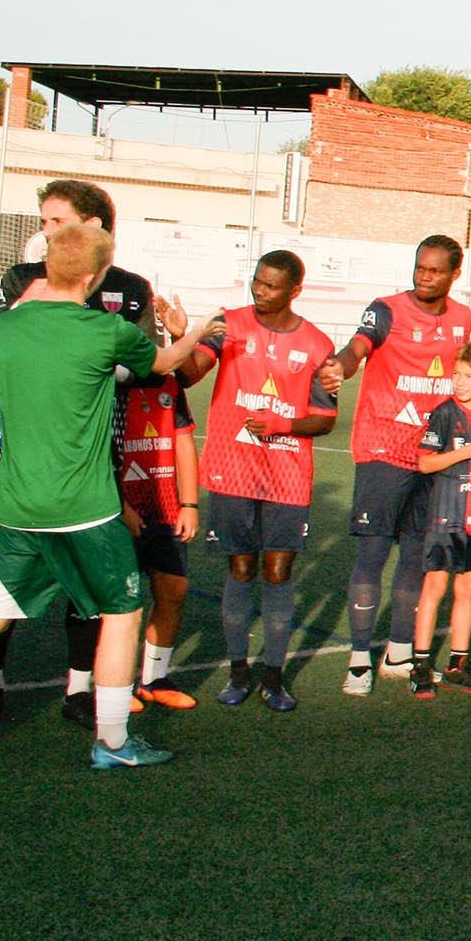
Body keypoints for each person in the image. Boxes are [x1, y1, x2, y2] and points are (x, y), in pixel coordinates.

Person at [0, 223, 209, 766]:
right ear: (95, 275)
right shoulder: (105, 330)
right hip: (87, 511)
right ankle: (112, 743)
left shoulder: (3, 328)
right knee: (123, 612)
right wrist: (198, 335)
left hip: (15, 508)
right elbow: (165, 365)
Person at [190, 252, 343, 711]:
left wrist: (282, 425)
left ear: (295, 290)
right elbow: (189, 372)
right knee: (240, 569)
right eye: (257, 281)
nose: (259, 290)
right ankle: (239, 672)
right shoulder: (229, 324)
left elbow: (325, 420)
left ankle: (273, 676)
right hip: (232, 469)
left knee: (278, 571)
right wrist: (184, 335)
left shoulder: (317, 344)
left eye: (271, 285)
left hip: (287, 476)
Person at [335, 235, 471, 686]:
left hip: (434, 455)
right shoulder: (386, 309)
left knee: (416, 554)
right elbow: (358, 345)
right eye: (420, 268)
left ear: (455, 274)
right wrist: (341, 366)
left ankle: (397, 652)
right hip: (383, 449)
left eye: (435, 271)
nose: (425, 277)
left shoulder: (463, 317)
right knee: (373, 553)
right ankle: (359, 659)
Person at [407, 342, 471, 698]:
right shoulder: (445, 413)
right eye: (457, 374)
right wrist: (464, 452)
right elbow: (425, 463)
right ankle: (421, 664)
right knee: (435, 585)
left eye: (469, 376)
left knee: (468, 588)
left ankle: (459, 664)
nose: (460, 381)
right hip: (446, 512)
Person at [118, 364, 201, 708]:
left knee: (173, 592)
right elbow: (96, 450)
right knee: (118, 604)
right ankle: (113, 685)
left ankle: (155, 679)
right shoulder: (109, 384)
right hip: (119, 512)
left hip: (166, 508)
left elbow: (183, 442)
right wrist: (122, 506)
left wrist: (190, 504)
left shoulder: (170, 385)